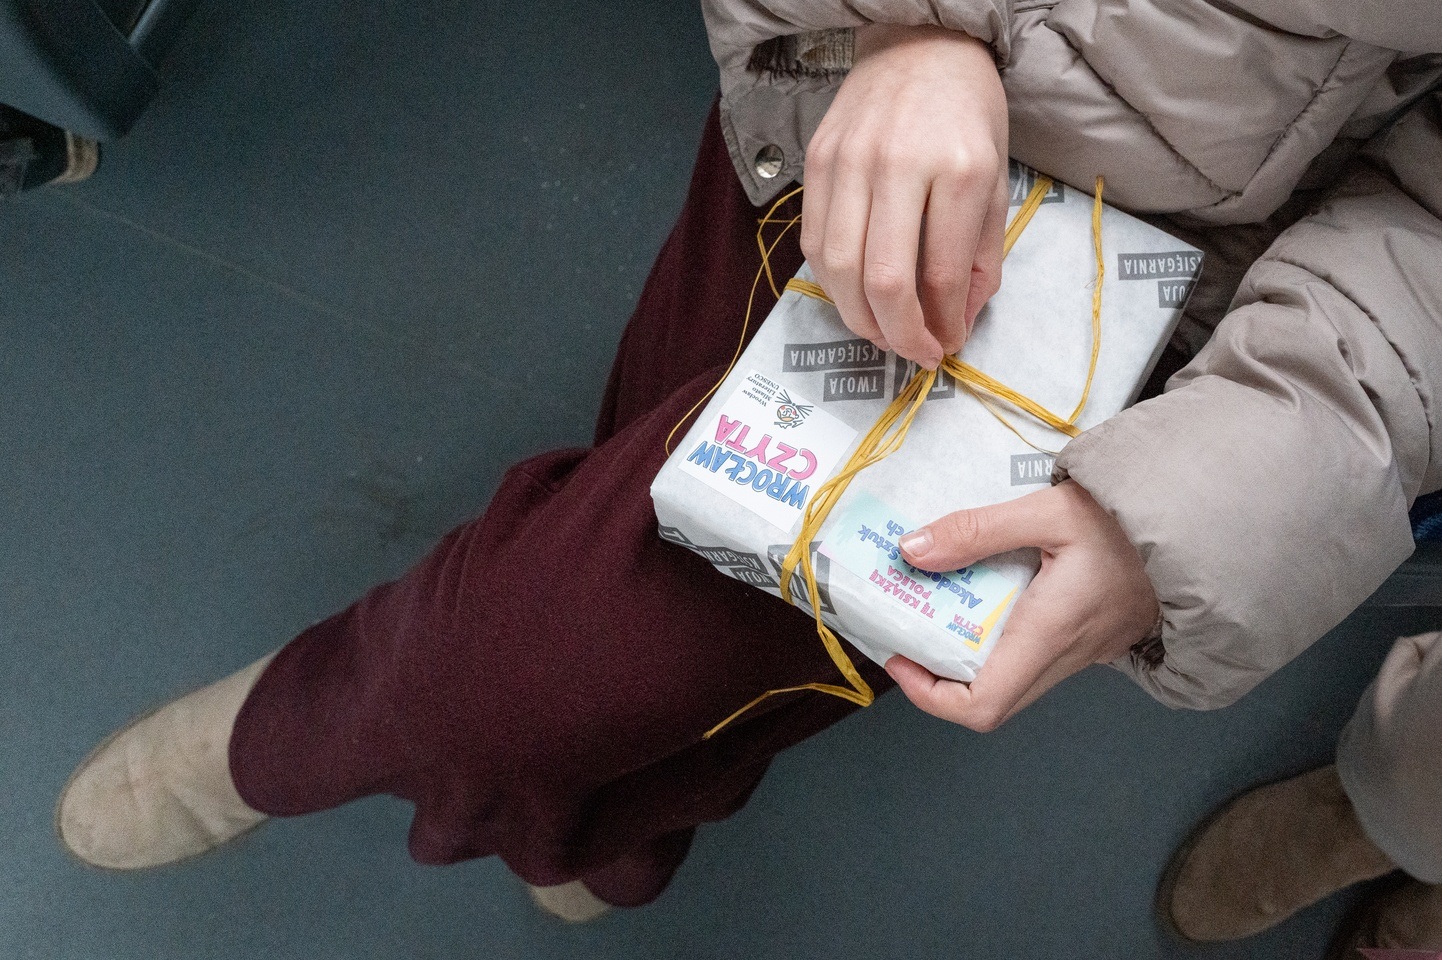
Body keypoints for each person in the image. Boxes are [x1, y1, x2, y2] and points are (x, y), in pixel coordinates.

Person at [56, 0, 1442, 950]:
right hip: (838, 119)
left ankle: (343, 752)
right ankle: (576, 813)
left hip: (1111, 315)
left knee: (581, 663)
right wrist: (905, 27)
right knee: (649, 472)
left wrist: (1200, 504)